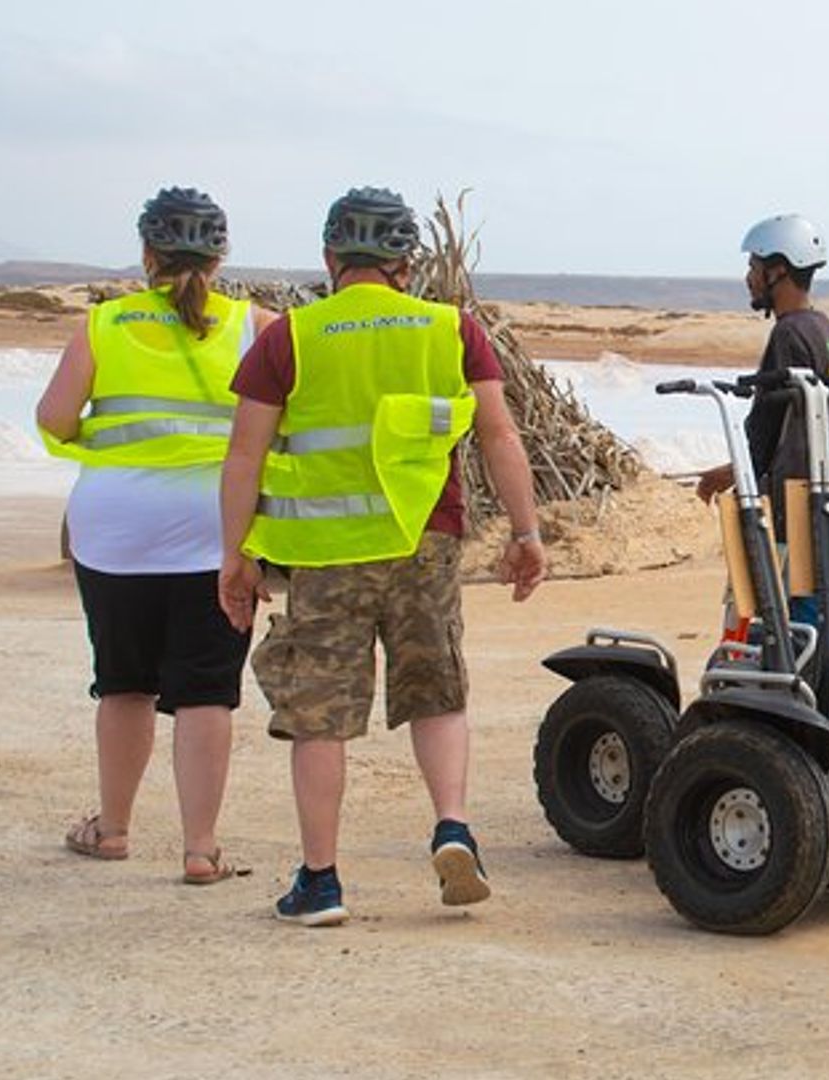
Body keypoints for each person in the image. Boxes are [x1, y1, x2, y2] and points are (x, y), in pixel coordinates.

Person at [217, 187, 546, 927]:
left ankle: (321, 882)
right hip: (425, 544)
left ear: (331, 258)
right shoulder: (450, 329)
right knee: (436, 690)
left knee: (320, 718)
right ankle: (453, 826)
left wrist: (234, 556)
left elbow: (244, 454)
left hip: (327, 555)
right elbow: (499, 436)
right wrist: (526, 534)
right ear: (406, 262)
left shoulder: (291, 337)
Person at [38, 187, 273, 886]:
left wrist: (102, 441)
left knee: (123, 683)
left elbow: (54, 418)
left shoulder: (103, 325)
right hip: (216, 529)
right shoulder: (254, 326)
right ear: (222, 254)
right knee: (206, 691)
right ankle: (200, 848)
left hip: (114, 531)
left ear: (146, 253)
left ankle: (112, 830)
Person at [695, 214, 829, 627]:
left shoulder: (789, 335)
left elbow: (765, 429)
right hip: (828, 494)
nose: (748, 278)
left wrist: (728, 474)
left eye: (754, 268)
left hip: (793, 501)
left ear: (779, 270)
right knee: (819, 612)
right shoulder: (828, 331)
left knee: (784, 618)